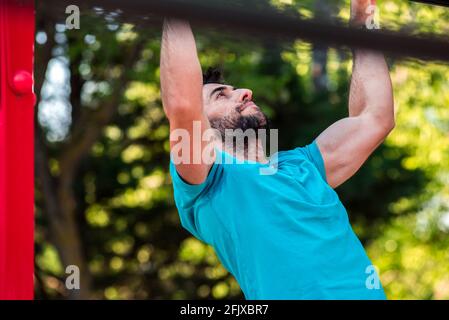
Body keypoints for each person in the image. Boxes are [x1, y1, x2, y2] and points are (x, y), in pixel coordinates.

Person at [160, 0, 394, 299]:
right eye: (221, 95)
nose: (245, 91)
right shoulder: (207, 181)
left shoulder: (304, 166)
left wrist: (363, 23)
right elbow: (182, 102)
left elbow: (376, 117)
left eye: (236, 89)